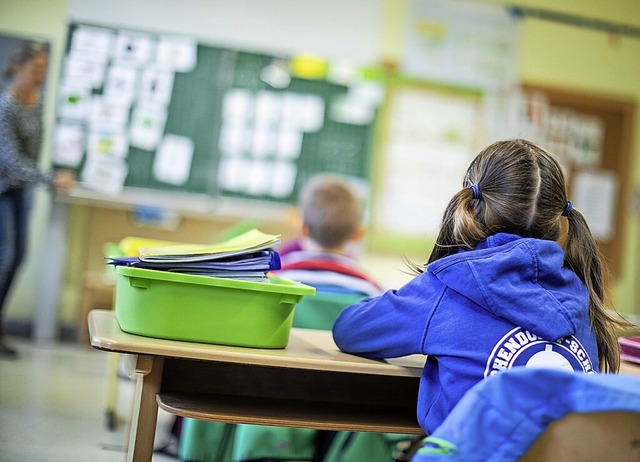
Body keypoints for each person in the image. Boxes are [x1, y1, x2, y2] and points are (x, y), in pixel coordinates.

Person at [332, 138, 634, 436]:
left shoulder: (448, 287)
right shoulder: (580, 295)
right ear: (559, 222)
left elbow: (349, 329)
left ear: (472, 208)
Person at [0, 42, 74, 358]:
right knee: (6, 256)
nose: (41, 75)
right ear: (18, 68)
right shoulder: (7, 106)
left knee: (18, 257)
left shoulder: (37, 101)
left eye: (44, 69)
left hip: (21, 190)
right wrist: (49, 178)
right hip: (3, 190)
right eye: (36, 69)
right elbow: (11, 158)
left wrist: (41, 180)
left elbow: (33, 151)